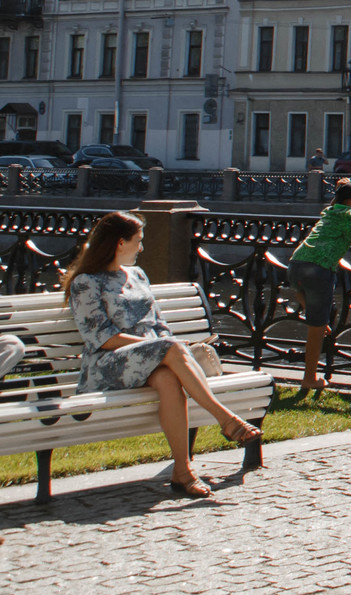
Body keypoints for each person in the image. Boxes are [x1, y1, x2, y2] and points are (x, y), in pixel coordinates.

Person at [63, 211, 262, 499]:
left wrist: (160, 348)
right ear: (120, 243)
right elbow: (100, 338)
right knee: (169, 349)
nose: (141, 248)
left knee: (169, 377)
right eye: (138, 241)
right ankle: (226, 419)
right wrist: (159, 347)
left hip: (151, 361)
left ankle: (182, 471)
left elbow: (159, 325)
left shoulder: (138, 275)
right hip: (106, 366)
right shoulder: (87, 282)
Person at [290, 179, 351, 390]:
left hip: (296, 263)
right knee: (315, 330)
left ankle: (314, 315)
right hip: (319, 268)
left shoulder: (330, 212)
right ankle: (310, 378)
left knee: (309, 306)